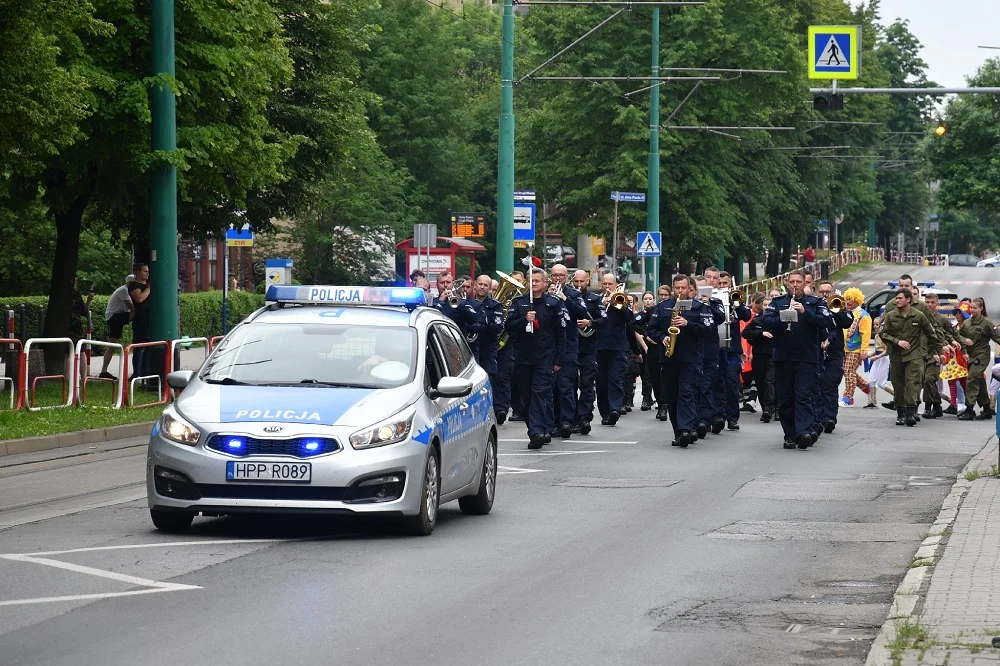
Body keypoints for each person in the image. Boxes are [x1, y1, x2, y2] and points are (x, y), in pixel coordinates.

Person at [758, 270, 834, 449]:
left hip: (807, 358)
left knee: (804, 395)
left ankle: (804, 432)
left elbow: (825, 322)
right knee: (785, 398)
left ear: (805, 284)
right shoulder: (778, 303)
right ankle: (790, 434)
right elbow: (766, 321)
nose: (795, 285)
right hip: (783, 358)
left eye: (798, 282)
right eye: (791, 282)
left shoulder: (815, 303)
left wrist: (805, 312)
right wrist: (783, 317)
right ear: (786, 283)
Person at [646, 274, 712, 446]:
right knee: (672, 397)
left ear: (690, 288)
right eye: (677, 288)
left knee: (687, 393)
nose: (680, 291)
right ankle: (679, 431)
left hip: (690, 359)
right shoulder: (663, 307)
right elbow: (650, 329)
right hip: (668, 358)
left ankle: (685, 429)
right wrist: (662, 338)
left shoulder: (699, 307)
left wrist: (688, 324)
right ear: (673, 287)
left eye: (683, 288)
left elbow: (709, 329)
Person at [505, 268, 567, 448]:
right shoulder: (519, 302)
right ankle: (540, 428)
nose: (533, 284)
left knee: (539, 393)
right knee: (526, 397)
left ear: (545, 283)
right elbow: (509, 327)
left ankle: (536, 432)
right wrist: (524, 319)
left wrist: (558, 360)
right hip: (523, 358)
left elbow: (560, 333)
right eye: (531, 281)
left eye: (537, 281)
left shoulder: (553, 303)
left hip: (545, 358)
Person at [879, 288, 943, 426]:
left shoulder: (919, 315)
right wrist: (897, 342)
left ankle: (910, 413)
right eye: (896, 298)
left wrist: (939, 352)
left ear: (908, 300)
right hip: (896, 355)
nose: (897, 300)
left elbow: (932, 334)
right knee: (898, 384)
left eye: (900, 298)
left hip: (914, 355)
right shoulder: (891, 315)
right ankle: (900, 413)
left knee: (912, 382)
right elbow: (883, 334)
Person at [548, 264, 589, 438]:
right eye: (554, 275)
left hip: (569, 347)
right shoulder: (543, 294)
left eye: (561, 275)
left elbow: (582, 313)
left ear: (567, 277)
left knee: (565, 386)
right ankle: (553, 422)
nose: (558, 278)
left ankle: (566, 422)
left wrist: (564, 298)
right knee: (550, 387)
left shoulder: (573, 294)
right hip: (549, 349)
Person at [595, 272, 640, 426]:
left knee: (615, 378)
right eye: (605, 284)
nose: (608, 287)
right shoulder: (596, 300)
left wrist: (617, 303)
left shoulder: (620, 300)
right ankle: (605, 412)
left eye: (610, 284)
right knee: (601, 382)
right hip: (599, 346)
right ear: (601, 284)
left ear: (615, 285)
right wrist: (604, 302)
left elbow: (630, 319)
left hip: (617, 347)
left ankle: (615, 408)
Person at [572, 269, 607, 434]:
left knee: (587, 384)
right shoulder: (568, 298)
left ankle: (584, 418)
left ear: (588, 282)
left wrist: (590, 322)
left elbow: (603, 320)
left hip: (588, 347)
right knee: (569, 385)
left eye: (582, 282)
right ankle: (571, 418)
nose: (579, 285)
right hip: (571, 348)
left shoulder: (594, 299)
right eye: (576, 282)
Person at [816, 280, 853, 433]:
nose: (825, 294)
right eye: (822, 292)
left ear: (833, 292)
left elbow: (847, 322)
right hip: (816, 353)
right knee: (817, 387)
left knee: (830, 386)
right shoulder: (814, 306)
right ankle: (818, 418)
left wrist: (837, 309)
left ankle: (829, 418)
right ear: (818, 293)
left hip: (834, 353)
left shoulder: (839, 306)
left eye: (828, 292)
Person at [957, 297, 1000, 420]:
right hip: (970, 356)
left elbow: (997, 337)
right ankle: (987, 409)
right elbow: (958, 336)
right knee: (979, 381)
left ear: (981, 308)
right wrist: (964, 343)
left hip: (982, 356)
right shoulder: (967, 323)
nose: (972, 310)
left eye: (975, 308)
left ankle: (969, 409)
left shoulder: (987, 323)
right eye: (971, 307)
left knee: (972, 378)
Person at [921, 291, 962, 418]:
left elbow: (950, 332)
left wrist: (955, 342)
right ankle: (937, 405)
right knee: (924, 381)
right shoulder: (920, 317)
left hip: (936, 354)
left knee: (929, 380)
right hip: (921, 354)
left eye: (932, 302)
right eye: (927, 302)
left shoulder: (941, 319)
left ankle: (928, 407)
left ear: (937, 304)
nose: (929, 305)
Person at [465, 274, 504, 393]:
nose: (482, 287)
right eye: (480, 284)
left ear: (490, 288)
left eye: (485, 285)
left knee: (487, 382)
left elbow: (497, 327)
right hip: (470, 349)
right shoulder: (467, 303)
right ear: (475, 286)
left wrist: (479, 326)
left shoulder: (495, 305)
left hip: (487, 349)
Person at [742, 293, 775, 422]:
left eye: (769, 305)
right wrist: (760, 334)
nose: (767, 308)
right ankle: (764, 406)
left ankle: (769, 407)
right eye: (765, 305)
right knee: (760, 383)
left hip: (773, 355)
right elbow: (745, 333)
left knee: (770, 381)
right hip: (759, 355)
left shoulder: (778, 320)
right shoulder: (757, 320)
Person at [99, 274, 135, 380]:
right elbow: (131, 306)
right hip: (114, 317)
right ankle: (104, 370)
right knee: (112, 345)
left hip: (115, 317)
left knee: (112, 345)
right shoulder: (124, 290)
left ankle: (104, 370)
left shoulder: (125, 290)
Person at [841, 288, 871, 405]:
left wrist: (864, 349)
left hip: (856, 348)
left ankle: (848, 397)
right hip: (844, 347)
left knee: (848, 371)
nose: (848, 302)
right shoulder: (845, 313)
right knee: (848, 371)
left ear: (857, 301)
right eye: (847, 299)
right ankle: (866, 387)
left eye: (851, 300)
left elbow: (866, 334)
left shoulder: (864, 316)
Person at [128, 264, 152, 381]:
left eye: (148, 271)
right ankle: (136, 373)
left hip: (149, 319)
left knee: (148, 346)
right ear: (138, 272)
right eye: (145, 271)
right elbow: (139, 298)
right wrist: (149, 288)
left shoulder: (146, 285)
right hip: (140, 320)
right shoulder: (134, 285)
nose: (147, 273)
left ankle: (145, 373)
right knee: (140, 346)